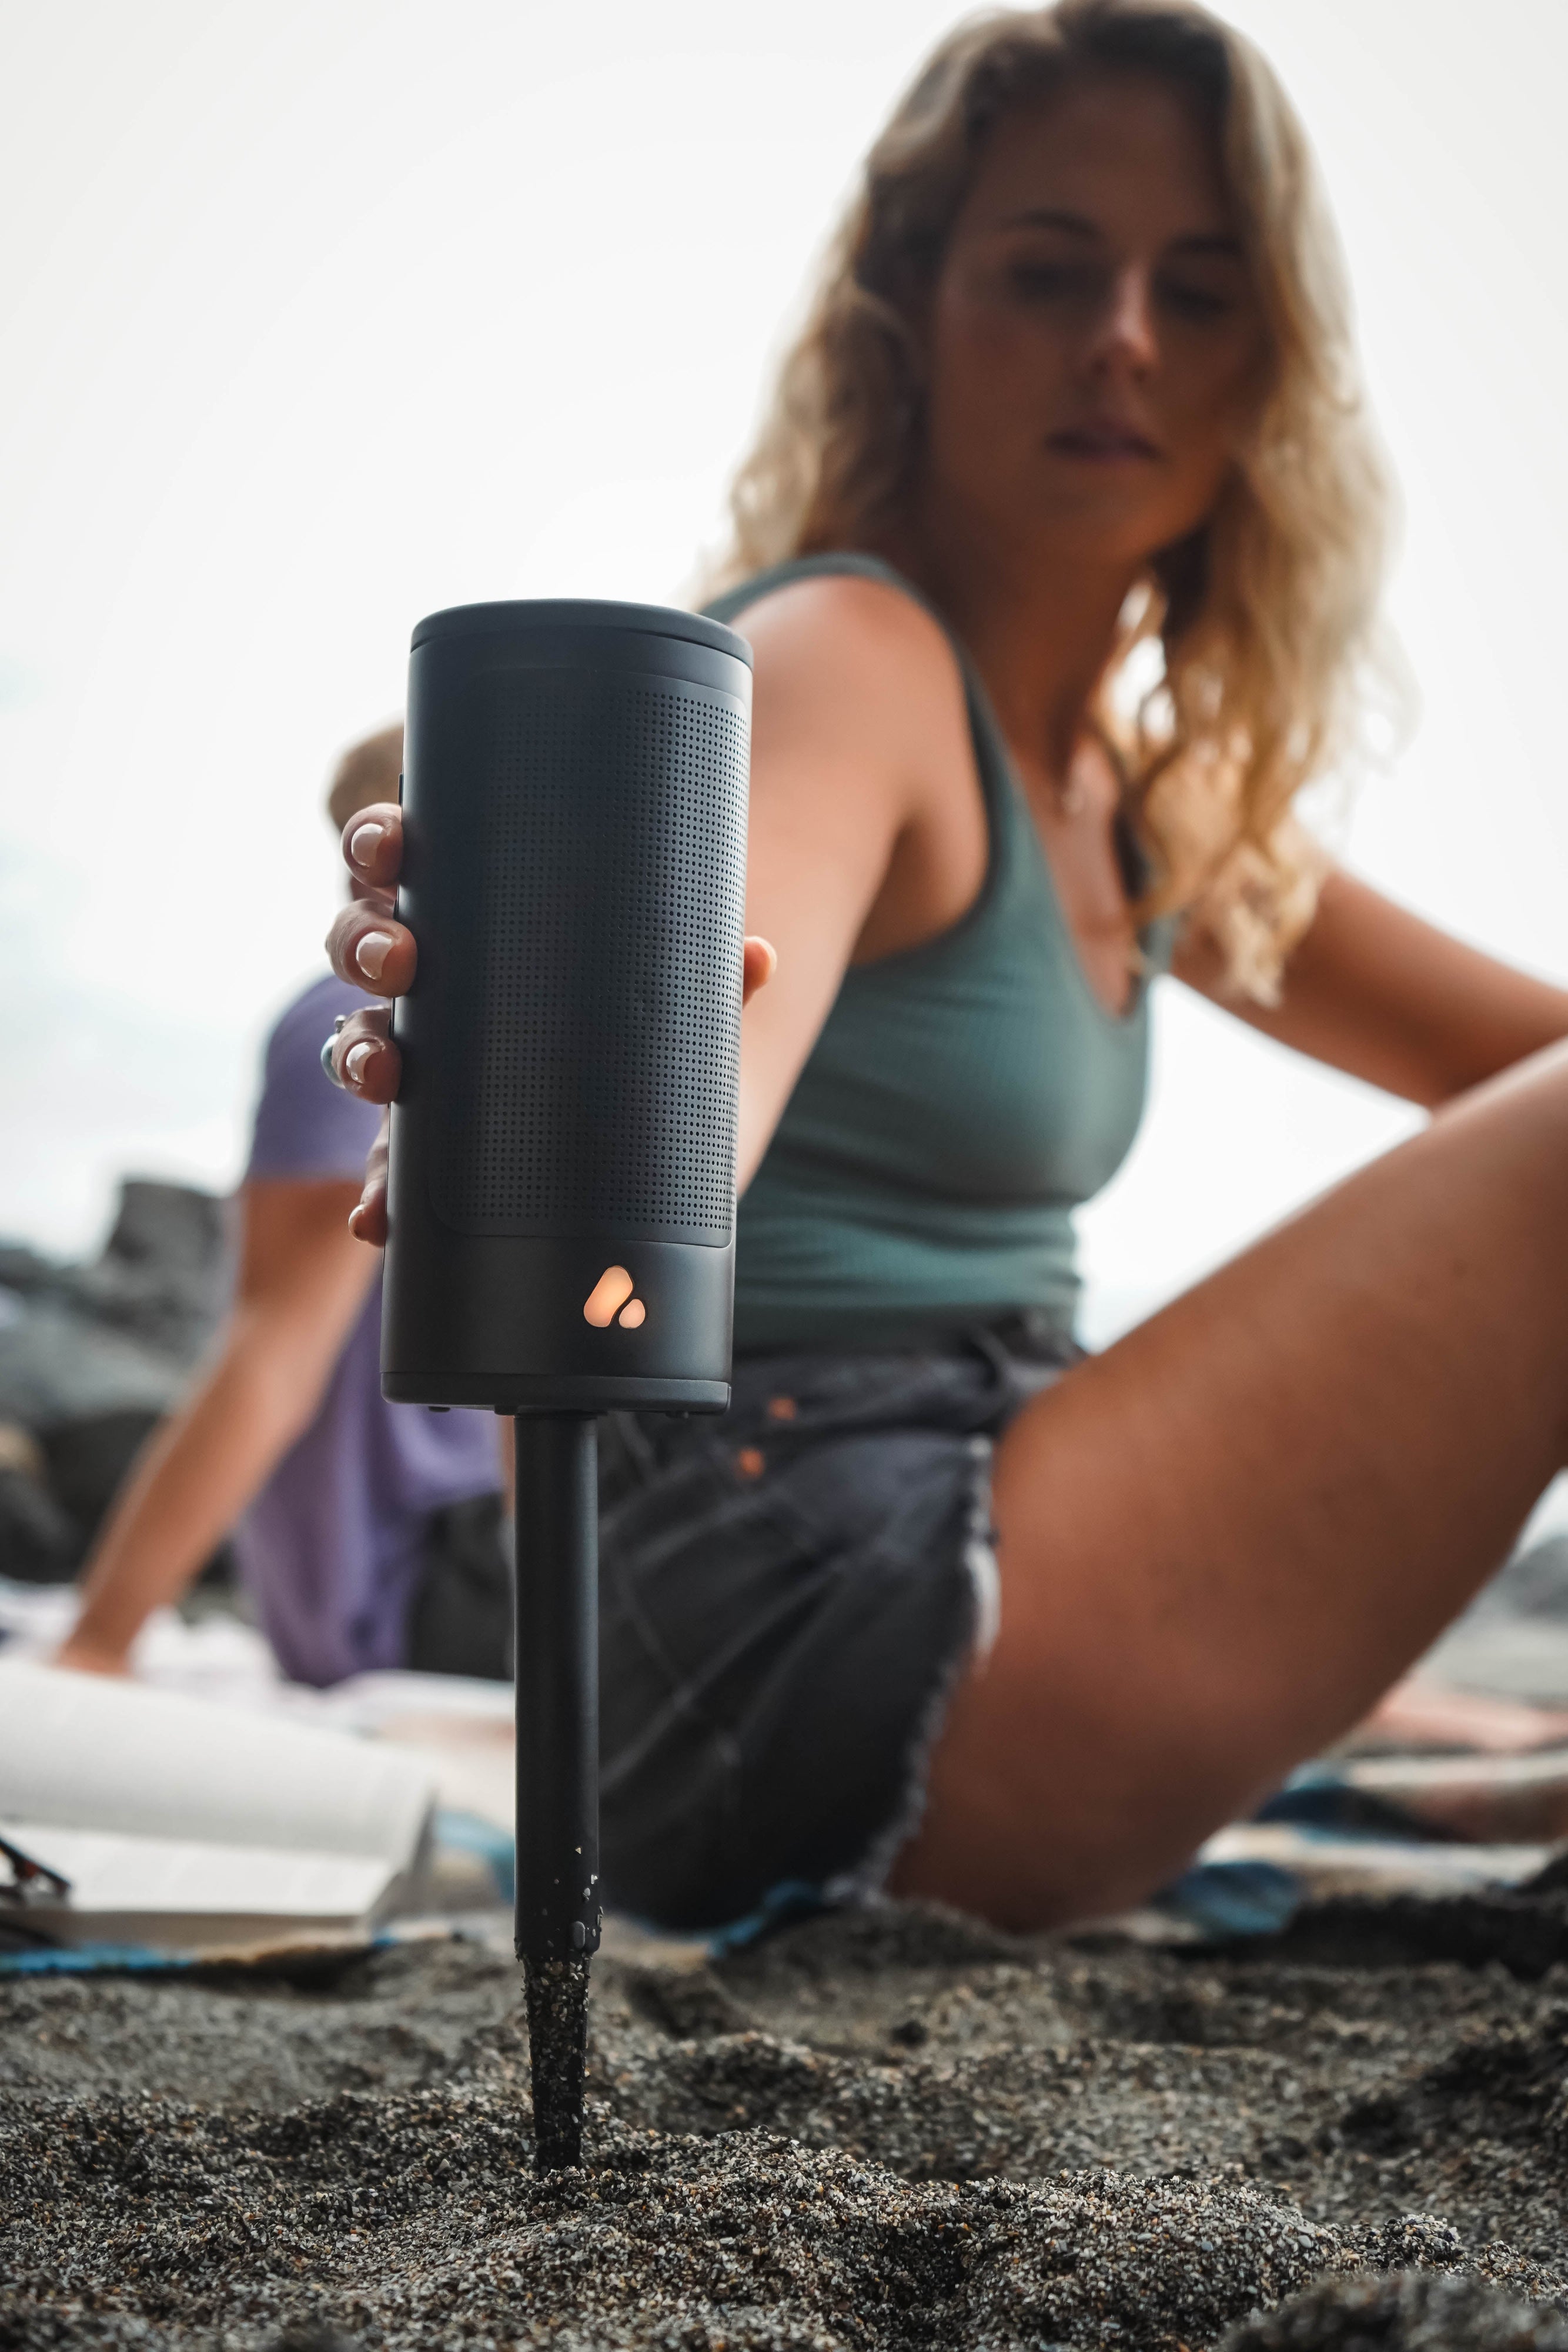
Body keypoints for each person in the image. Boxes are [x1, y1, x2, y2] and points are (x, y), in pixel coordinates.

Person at [323, 0, 1568, 1932]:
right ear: (906, 307)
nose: (1123, 339)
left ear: (1268, 370)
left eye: (1200, 291)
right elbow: (691, 1072)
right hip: (808, 1625)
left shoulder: (1147, 802)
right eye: (1047, 269)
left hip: (974, 1525)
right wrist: (564, 1096)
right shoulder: (850, 660)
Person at [58, 727, 506, 1687]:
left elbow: (270, 1341)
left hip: (401, 1582)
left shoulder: (393, 1018)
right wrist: (98, 1643)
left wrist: (96, 1639)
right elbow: (277, 1347)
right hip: (425, 1576)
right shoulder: (364, 1018)